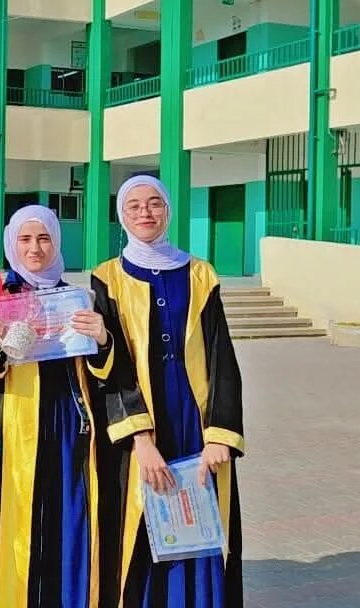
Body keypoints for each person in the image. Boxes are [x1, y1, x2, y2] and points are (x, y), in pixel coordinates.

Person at [89, 175, 245, 608]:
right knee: (141, 528)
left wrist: (219, 434)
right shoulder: (107, 279)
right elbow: (110, 366)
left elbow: (221, 356)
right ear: (121, 214)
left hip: (195, 423)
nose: (145, 212)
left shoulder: (200, 273)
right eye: (134, 205)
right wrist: (139, 439)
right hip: (142, 430)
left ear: (168, 210)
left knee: (202, 525)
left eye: (154, 203)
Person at [0, 205, 109, 608]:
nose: (35, 248)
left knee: (71, 522)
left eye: (44, 238)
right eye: (26, 239)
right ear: (12, 244)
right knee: (21, 526)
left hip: (71, 426)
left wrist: (103, 339)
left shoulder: (77, 297)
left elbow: (100, 371)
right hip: (18, 426)